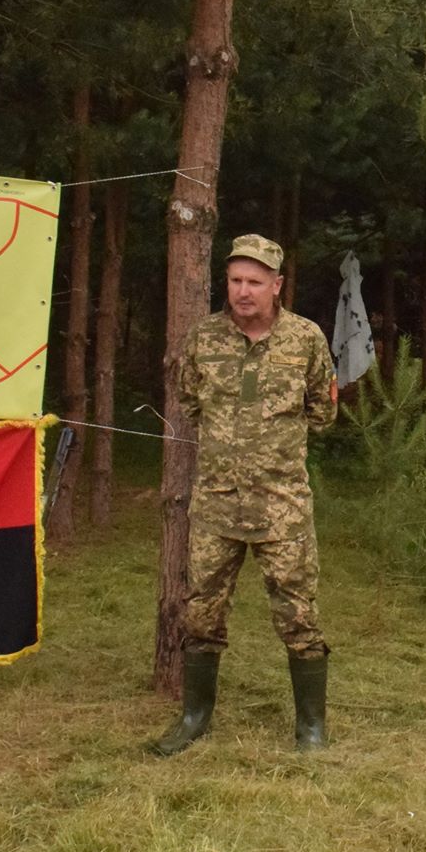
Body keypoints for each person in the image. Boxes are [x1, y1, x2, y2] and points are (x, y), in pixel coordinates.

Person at [153, 234, 338, 756]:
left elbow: (322, 411)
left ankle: (311, 728)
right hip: (215, 504)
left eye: (255, 282)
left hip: (282, 507)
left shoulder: (305, 339)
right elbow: (190, 402)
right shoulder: (204, 339)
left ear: (277, 286)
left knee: (299, 615)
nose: (243, 291)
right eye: (235, 280)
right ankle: (194, 717)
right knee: (202, 614)